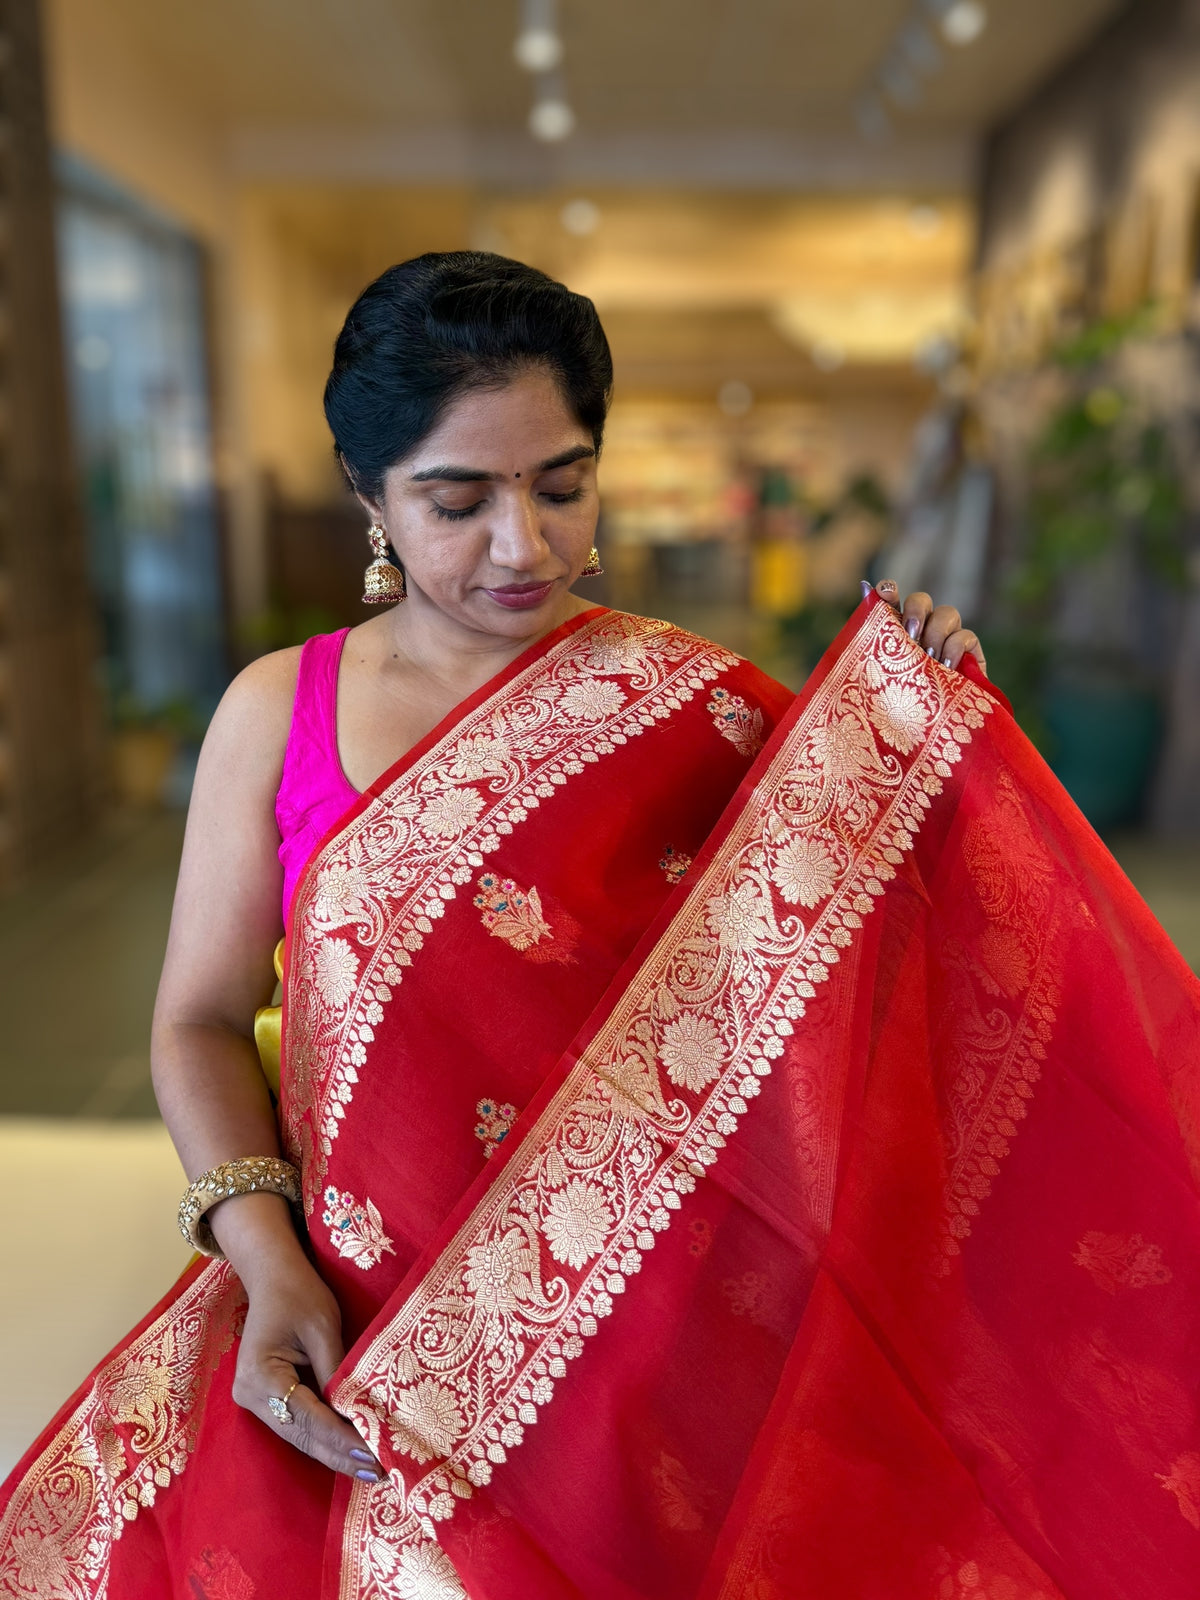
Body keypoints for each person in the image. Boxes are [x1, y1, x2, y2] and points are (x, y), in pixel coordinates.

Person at [1, 254, 1197, 1600]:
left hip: (652, 1339)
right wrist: (267, 1262)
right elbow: (201, 1021)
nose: (523, 544)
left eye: (561, 486)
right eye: (459, 501)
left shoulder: (702, 708)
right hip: (350, 1316)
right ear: (368, 494)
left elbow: (873, 979)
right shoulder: (279, 711)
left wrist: (914, 752)